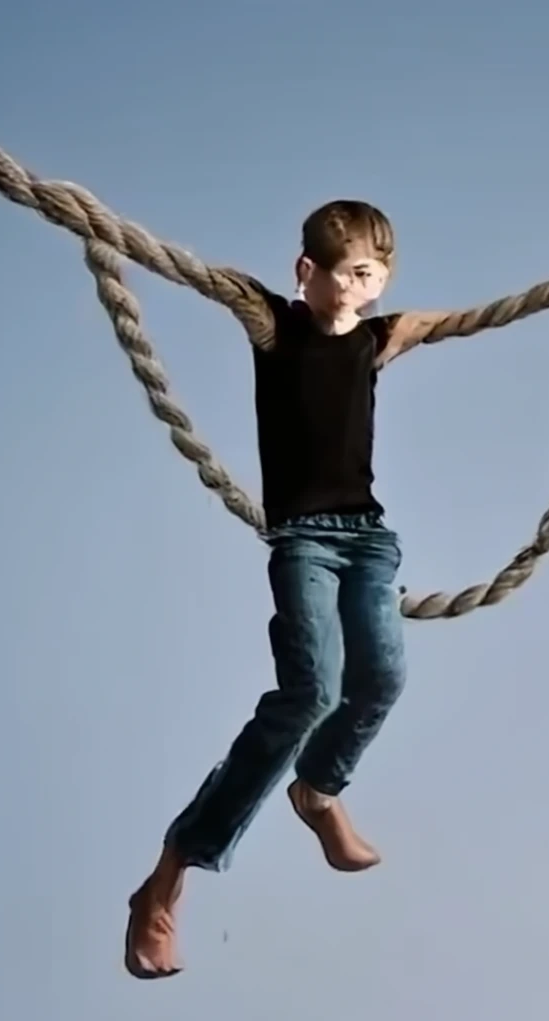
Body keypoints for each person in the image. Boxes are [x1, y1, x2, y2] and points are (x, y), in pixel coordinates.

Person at [123, 199, 447, 979]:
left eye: (375, 277)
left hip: (368, 540)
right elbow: (220, 285)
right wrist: (112, 232)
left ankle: (318, 790)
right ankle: (169, 876)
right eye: (350, 275)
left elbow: (427, 324)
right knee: (310, 693)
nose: (363, 290)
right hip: (304, 541)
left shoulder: (374, 338)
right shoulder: (277, 325)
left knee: (383, 678)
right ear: (308, 271)